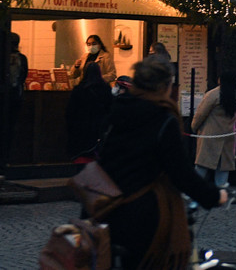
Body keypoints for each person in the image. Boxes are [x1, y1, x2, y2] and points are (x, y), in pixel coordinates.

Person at [96, 57, 225, 268]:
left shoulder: (116, 112)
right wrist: (214, 196)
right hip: (144, 217)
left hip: (108, 212)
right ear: (165, 86)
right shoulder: (163, 120)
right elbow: (181, 173)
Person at [192, 72, 236, 189]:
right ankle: (221, 192)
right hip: (228, 136)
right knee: (223, 168)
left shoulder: (213, 95)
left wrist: (194, 127)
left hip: (210, 135)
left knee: (202, 166)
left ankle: (193, 190)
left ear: (220, 80)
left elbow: (201, 114)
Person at [66, 62, 114, 161]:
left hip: (81, 126)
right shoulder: (105, 89)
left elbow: (71, 110)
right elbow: (110, 108)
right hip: (99, 126)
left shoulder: (79, 89)